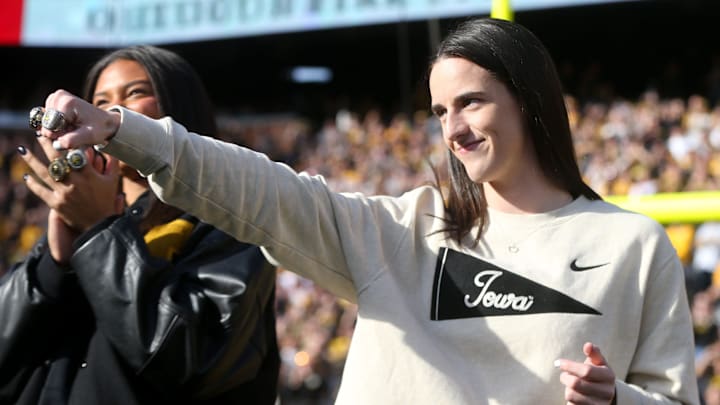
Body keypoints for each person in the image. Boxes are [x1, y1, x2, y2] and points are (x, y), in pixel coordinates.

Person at [38, 18, 698, 404]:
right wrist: (120, 128)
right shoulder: (397, 231)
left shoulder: (634, 244)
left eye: (471, 102)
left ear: (529, 99)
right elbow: (262, 189)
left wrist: (619, 400)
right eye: (440, 111)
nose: (453, 129)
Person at [0, 45, 280, 404]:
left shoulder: (236, 225)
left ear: (180, 110)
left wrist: (100, 231)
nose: (111, 112)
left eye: (135, 93)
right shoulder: (83, 226)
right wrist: (53, 267)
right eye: (99, 101)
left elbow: (191, 363)